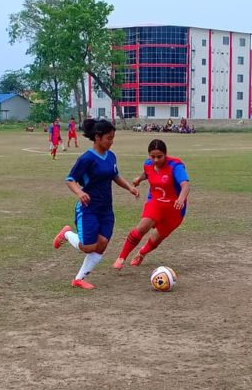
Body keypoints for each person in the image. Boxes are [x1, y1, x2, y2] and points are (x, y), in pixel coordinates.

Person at [51, 119, 140, 289]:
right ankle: (67, 234)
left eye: (113, 138)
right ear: (98, 137)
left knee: (102, 245)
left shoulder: (111, 156)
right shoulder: (87, 158)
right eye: (109, 138)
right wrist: (80, 192)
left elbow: (115, 175)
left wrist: (129, 187)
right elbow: (70, 179)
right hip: (88, 209)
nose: (111, 142)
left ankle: (78, 279)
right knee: (87, 247)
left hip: (106, 210)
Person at [114, 138, 191, 270]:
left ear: (165, 154)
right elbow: (147, 173)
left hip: (174, 209)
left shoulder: (175, 166)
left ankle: (142, 253)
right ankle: (121, 257)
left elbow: (185, 185)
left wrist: (181, 199)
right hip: (155, 202)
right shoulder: (148, 164)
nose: (156, 160)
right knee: (142, 227)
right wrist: (139, 179)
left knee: (157, 238)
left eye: (159, 156)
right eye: (152, 156)